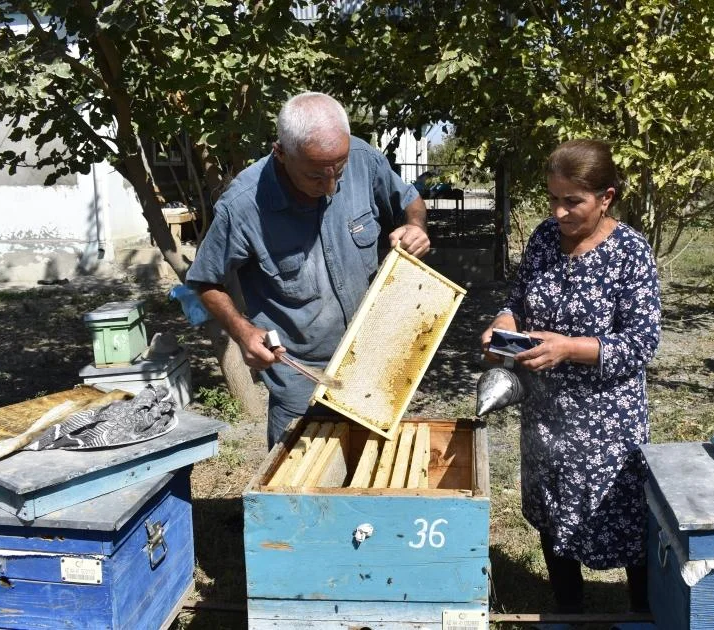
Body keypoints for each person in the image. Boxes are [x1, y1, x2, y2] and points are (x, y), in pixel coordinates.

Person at [187, 92, 431, 448]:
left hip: (375, 358)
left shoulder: (363, 158)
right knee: (300, 495)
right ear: (281, 153)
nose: (331, 186)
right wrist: (242, 331)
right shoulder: (242, 205)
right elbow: (205, 281)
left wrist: (416, 226)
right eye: (316, 176)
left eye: (339, 170)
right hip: (302, 381)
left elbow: (410, 200)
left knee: (373, 485)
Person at [480, 139, 661, 616]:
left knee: (621, 518)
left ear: (607, 198)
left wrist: (568, 348)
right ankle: (567, 607)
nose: (559, 212)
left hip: (606, 422)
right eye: (553, 199)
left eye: (573, 201)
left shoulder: (631, 253)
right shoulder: (542, 239)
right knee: (551, 511)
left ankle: (640, 610)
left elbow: (641, 345)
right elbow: (519, 300)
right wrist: (504, 322)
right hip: (544, 414)